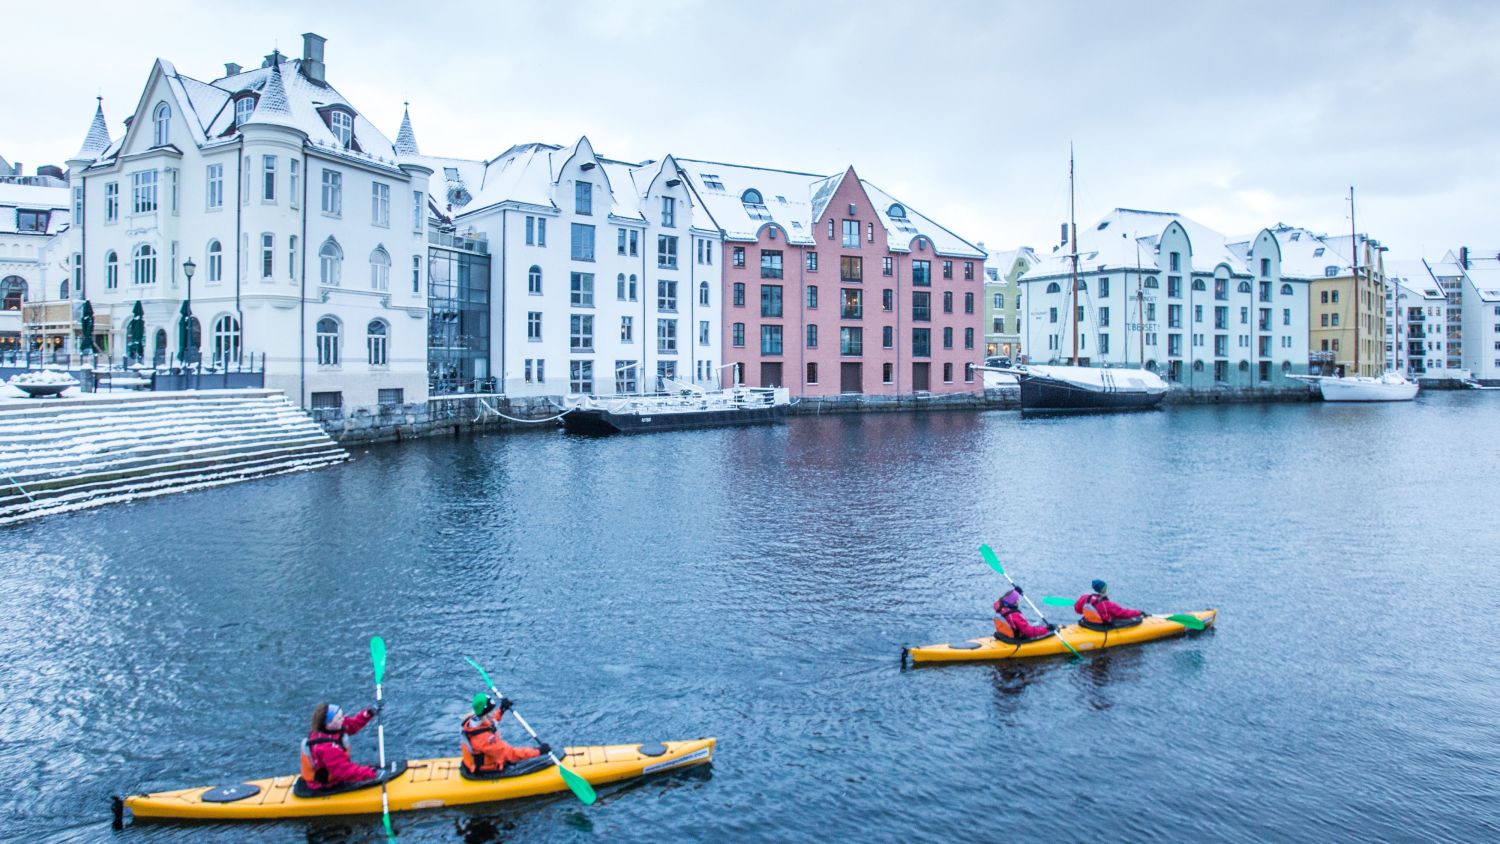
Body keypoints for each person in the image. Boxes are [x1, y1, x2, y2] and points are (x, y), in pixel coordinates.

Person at [299, 702, 381, 791]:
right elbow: (344, 771)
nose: (343, 719)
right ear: (328, 724)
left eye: (342, 716)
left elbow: (351, 724)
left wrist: (368, 714)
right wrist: (374, 774)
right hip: (325, 785)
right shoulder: (326, 748)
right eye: (339, 718)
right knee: (353, 772)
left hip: (335, 771)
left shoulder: (333, 727)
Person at [460, 694, 548, 775]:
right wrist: (538, 751)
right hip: (486, 769)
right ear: (486, 715)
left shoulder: (474, 721)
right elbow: (510, 754)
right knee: (515, 757)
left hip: (479, 760)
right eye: (492, 711)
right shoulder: (484, 739)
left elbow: (492, 721)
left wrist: (501, 710)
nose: (494, 712)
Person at [1074, 579, 1145, 628]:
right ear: (1104, 590)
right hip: (1100, 627)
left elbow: (1077, 610)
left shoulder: (1084, 598)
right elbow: (1123, 613)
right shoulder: (1107, 604)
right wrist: (1138, 612)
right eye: (1106, 588)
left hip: (1088, 623)